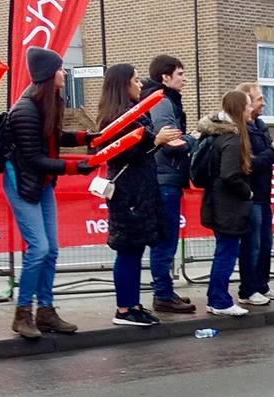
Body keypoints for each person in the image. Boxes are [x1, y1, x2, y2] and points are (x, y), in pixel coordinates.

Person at [5, 47, 98, 340]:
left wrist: (86, 137)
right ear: (47, 74)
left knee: (51, 249)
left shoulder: (48, 103)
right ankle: (23, 313)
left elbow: (54, 136)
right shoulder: (24, 110)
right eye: (59, 69)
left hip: (41, 182)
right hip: (23, 182)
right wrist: (74, 168)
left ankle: (45, 311)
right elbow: (33, 157)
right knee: (39, 248)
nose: (63, 73)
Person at [96, 64, 182, 326]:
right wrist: (156, 141)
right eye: (135, 80)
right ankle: (124, 309)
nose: (140, 85)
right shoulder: (114, 118)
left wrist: (156, 141)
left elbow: (142, 152)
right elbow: (123, 153)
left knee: (136, 249)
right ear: (123, 85)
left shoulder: (135, 114)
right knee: (128, 250)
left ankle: (133, 303)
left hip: (142, 190)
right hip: (128, 193)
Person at [234, 82, 274, 306]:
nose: (264, 102)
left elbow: (269, 156)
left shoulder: (260, 126)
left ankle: (261, 284)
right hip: (251, 195)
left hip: (264, 194)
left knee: (265, 243)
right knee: (251, 245)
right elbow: (251, 164)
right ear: (247, 102)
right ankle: (248, 289)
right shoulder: (241, 129)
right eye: (260, 98)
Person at [141, 55, 197, 314]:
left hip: (167, 177)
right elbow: (172, 142)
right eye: (180, 74)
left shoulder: (166, 100)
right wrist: (195, 139)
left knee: (166, 239)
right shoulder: (163, 102)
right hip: (165, 179)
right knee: (165, 240)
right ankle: (162, 294)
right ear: (165, 77)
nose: (184, 79)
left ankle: (165, 291)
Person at [198, 90, 254, 317]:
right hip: (228, 206)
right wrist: (247, 192)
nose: (251, 109)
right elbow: (230, 174)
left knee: (224, 251)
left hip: (217, 202)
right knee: (226, 254)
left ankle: (216, 298)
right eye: (248, 105)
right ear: (240, 109)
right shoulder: (231, 138)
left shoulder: (215, 135)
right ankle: (220, 300)